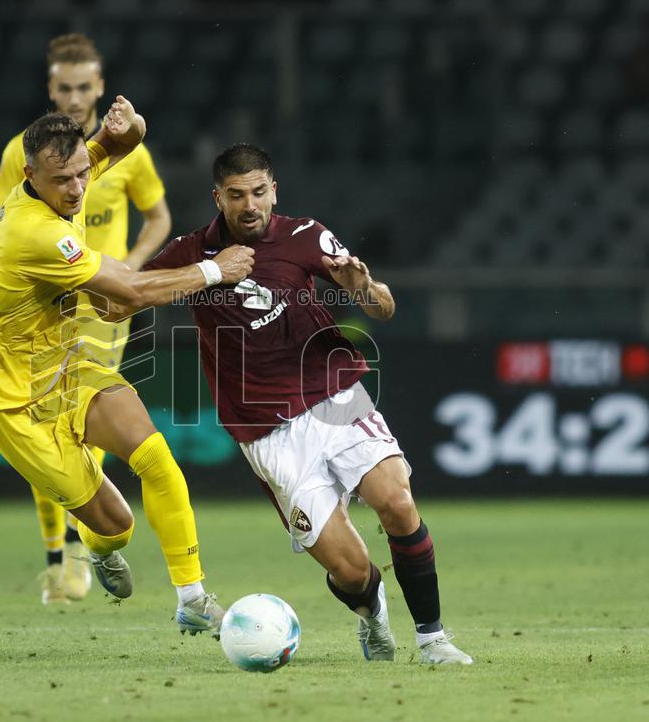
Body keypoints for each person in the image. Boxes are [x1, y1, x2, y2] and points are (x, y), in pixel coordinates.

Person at [141, 144, 473, 664]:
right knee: (352, 571)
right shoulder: (191, 253)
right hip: (268, 432)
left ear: (274, 189)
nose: (250, 204)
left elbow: (382, 307)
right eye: (236, 195)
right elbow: (124, 296)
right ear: (218, 198)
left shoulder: (304, 236)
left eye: (258, 191)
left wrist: (363, 286)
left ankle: (433, 639)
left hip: (334, 395)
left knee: (397, 501)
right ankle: (373, 614)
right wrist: (209, 274)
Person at [0, 103, 254, 636]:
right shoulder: (36, 232)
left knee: (156, 456)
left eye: (80, 175)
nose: (76, 190)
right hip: (10, 400)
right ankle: (98, 545)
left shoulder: (59, 176)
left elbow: (118, 147)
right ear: (30, 177)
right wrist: (215, 269)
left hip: (68, 367)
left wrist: (132, 126)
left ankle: (192, 596)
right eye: (63, 181)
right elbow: (133, 292)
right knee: (116, 527)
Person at [0, 33, 173, 604]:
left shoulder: (123, 154)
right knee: (48, 429)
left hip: (103, 310)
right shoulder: (26, 150)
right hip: (46, 307)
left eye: (83, 86)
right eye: (63, 87)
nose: (73, 96)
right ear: (50, 88)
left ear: (100, 86)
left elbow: (159, 219)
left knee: (82, 429)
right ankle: (60, 554)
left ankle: (80, 548)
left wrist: (129, 271)